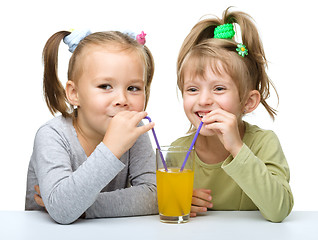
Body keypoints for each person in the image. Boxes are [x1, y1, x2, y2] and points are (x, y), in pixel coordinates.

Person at [172, 7, 294, 222]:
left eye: (218, 88)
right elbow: (164, 207)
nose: (203, 100)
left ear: (248, 102)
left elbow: (279, 210)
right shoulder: (178, 152)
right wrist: (176, 201)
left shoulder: (264, 144)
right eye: (192, 89)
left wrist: (237, 148)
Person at [25, 29, 158, 224]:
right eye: (105, 86)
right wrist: (111, 149)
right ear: (74, 93)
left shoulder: (135, 131)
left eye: (133, 88)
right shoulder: (52, 136)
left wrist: (82, 207)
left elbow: (155, 196)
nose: (122, 99)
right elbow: (62, 210)